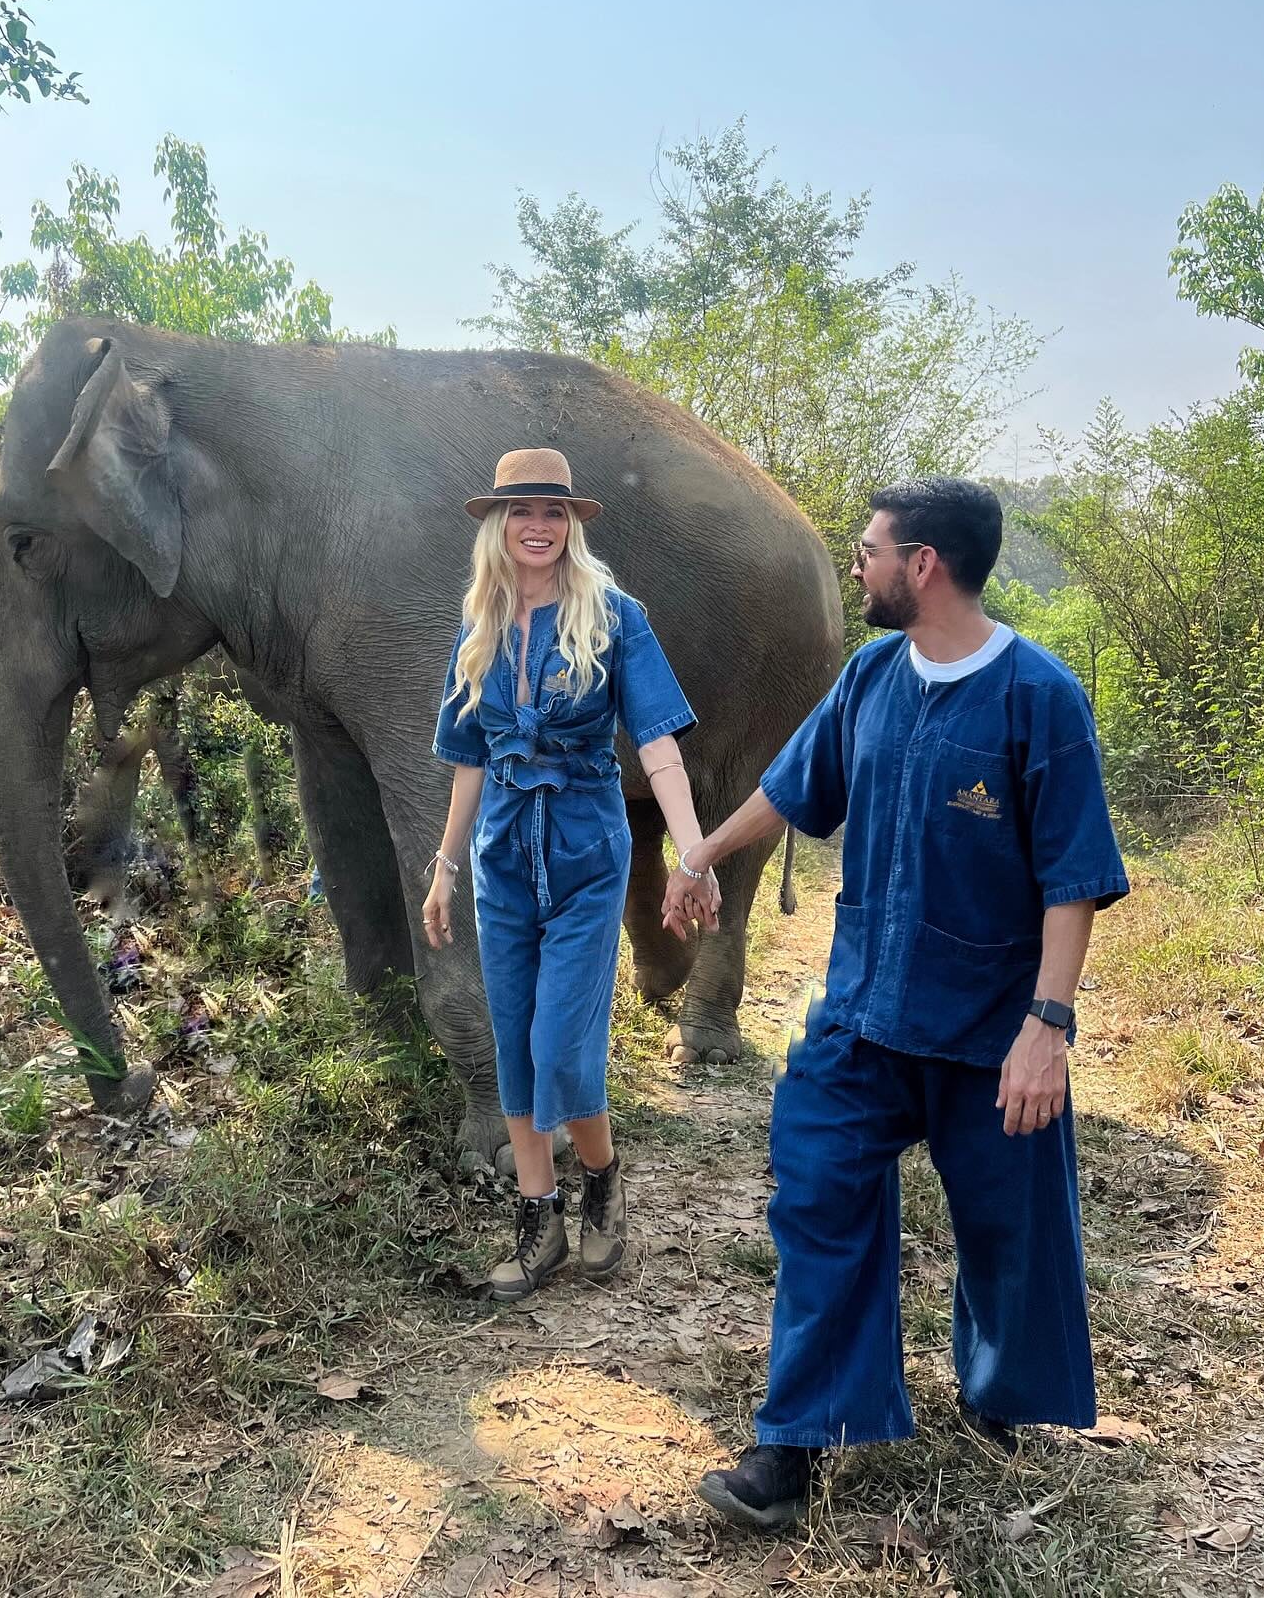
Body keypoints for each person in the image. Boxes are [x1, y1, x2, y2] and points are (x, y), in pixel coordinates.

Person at [664, 477, 1129, 1531]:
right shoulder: (872, 676)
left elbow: (1074, 877)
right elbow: (792, 786)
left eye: (870, 548)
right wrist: (701, 851)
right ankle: (796, 1446)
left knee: (1009, 1231)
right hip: (860, 1017)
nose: (858, 564)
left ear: (924, 565)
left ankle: (1002, 1391)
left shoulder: (1038, 697)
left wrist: (1046, 1031)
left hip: (988, 1029)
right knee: (818, 1200)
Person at [425, 448, 717, 1300]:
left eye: (553, 511)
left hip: (588, 851)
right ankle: (538, 1221)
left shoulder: (615, 615)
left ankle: (602, 1183)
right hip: (504, 859)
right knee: (515, 1044)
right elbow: (470, 763)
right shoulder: (478, 628)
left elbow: (658, 742)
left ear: (573, 523)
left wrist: (690, 850)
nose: (538, 525)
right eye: (522, 511)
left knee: (561, 1047)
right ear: (498, 524)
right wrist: (445, 867)